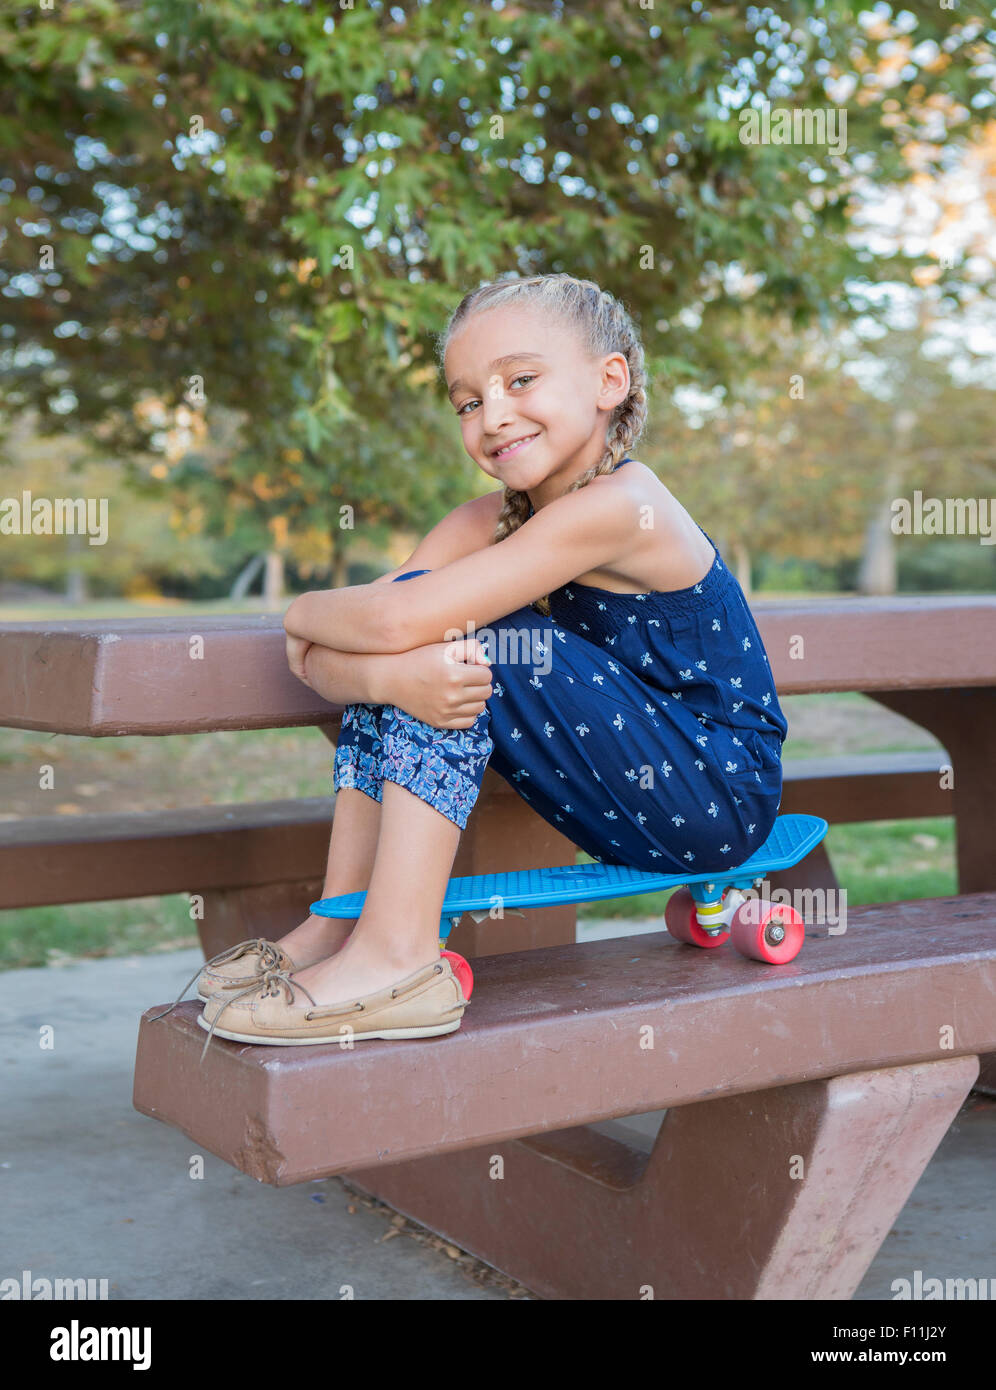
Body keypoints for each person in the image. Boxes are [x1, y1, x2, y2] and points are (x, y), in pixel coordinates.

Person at [193, 272, 788, 1049]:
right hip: (614, 794)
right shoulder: (488, 522)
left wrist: (302, 615)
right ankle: (341, 921)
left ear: (611, 381)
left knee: (458, 631)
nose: (492, 414)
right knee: (434, 638)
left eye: (521, 379)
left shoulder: (623, 506)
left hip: (712, 789)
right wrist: (387, 675)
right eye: (468, 401)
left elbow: (391, 617)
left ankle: (398, 959)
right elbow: (370, 638)